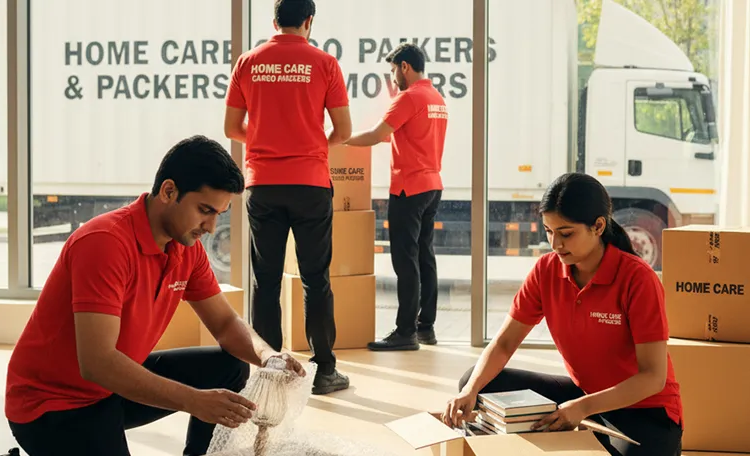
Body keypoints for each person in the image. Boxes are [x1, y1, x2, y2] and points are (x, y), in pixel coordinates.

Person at [4, 135, 306, 456]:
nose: (212, 227)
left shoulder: (185, 247)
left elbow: (225, 322)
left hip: (111, 391)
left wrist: (268, 356)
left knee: (229, 366)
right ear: (168, 191)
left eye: (219, 213)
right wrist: (195, 400)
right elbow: (97, 363)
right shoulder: (104, 243)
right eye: (205, 210)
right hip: (54, 406)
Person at [442, 173, 683, 456]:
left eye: (566, 233)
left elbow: (653, 377)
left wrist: (582, 408)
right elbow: (505, 343)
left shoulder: (637, 279)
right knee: (479, 381)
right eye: (548, 231)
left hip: (644, 410)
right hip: (583, 397)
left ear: (598, 226)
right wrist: (469, 391)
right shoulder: (546, 270)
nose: (555, 244)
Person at [223, 0, 352, 394]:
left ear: (274, 20)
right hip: (311, 183)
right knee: (316, 279)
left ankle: (270, 369)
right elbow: (343, 130)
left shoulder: (248, 62)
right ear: (309, 22)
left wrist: (265, 142)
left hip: (263, 183)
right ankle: (324, 370)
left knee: (265, 279)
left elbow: (232, 127)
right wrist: (313, 147)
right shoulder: (325, 63)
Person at [344, 42, 447, 351]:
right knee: (425, 257)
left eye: (393, 71)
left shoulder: (410, 97)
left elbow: (377, 134)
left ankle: (405, 333)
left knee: (406, 261)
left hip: (409, 188)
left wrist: (339, 141)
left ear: (405, 66)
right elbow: (399, 133)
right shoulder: (435, 97)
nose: (392, 79)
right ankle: (425, 326)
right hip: (432, 185)